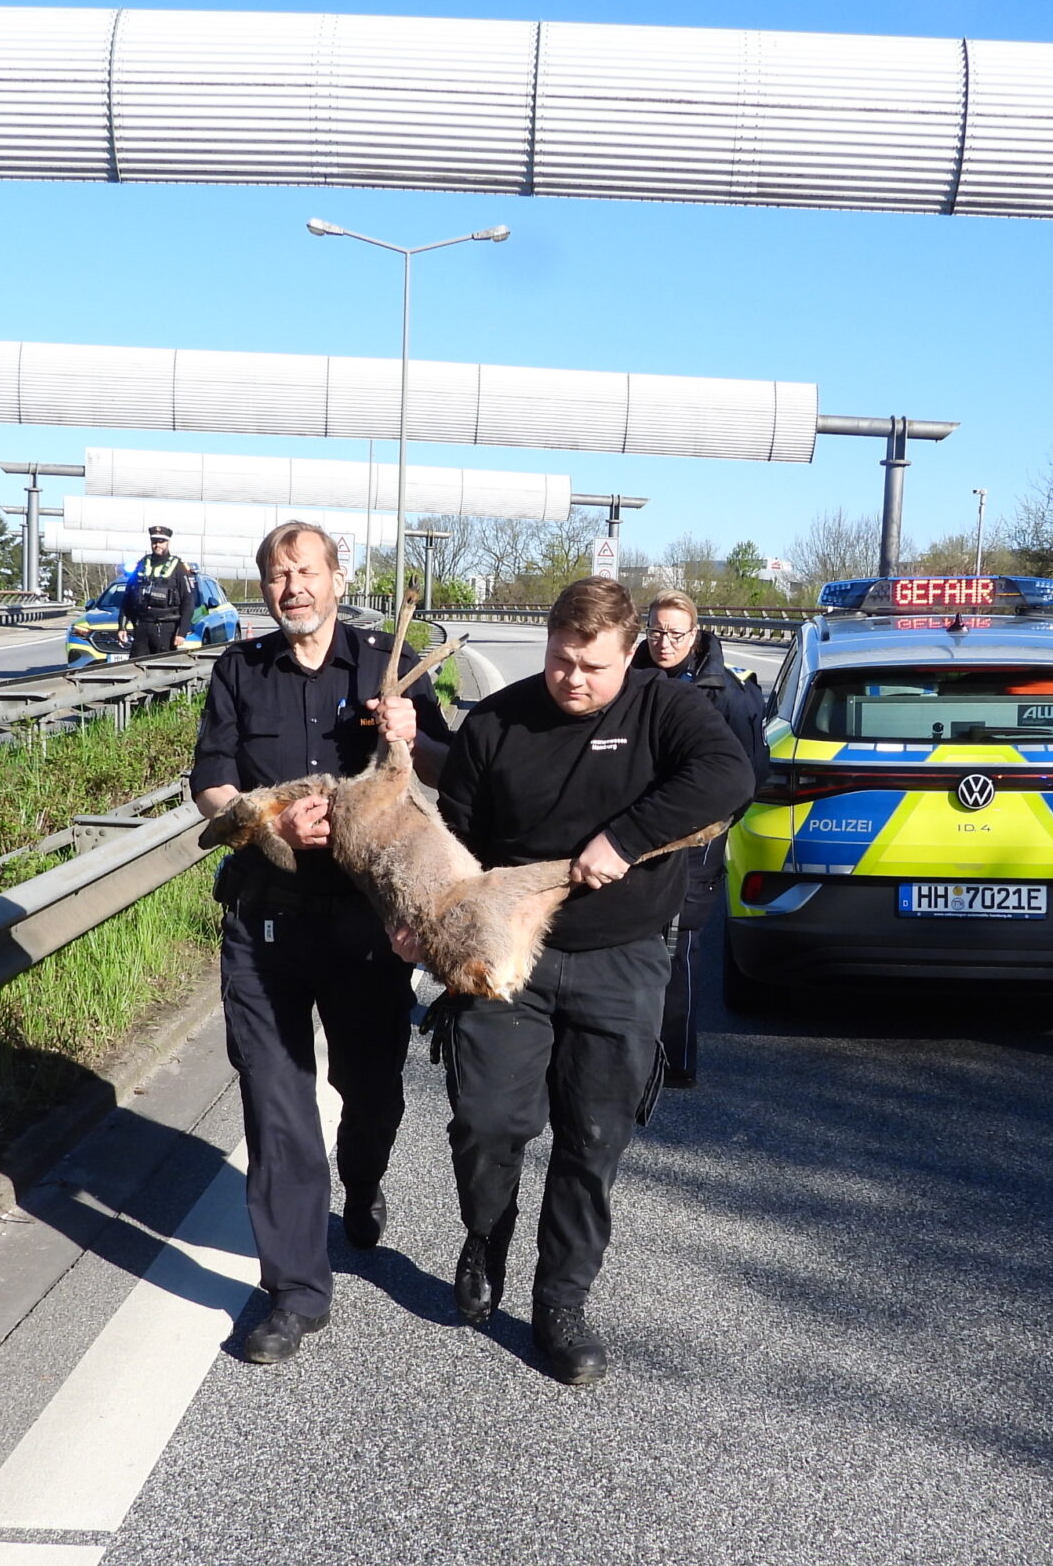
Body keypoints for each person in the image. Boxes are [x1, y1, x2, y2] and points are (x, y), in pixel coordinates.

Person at [431, 576, 755, 1383]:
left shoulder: (662, 708)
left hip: (624, 953)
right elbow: (457, 844)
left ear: (630, 654)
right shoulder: (497, 722)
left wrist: (627, 837)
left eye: (593, 666)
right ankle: (486, 1233)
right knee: (485, 1118)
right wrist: (433, 927)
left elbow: (729, 777)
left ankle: (560, 1303)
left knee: (593, 1138)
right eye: (560, 660)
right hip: (511, 955)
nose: (572, 678)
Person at [191, 521, 454, 1365]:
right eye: (277, 574)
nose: (291, 587)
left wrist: (412, 737)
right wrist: (267, 816)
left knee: (370, 1088)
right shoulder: (239, 671)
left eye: (306, 571)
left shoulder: (385, 665)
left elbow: (452, 770)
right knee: (278, 1103)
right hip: (265, 920)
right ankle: (296, 1291)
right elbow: (211, 783)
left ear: (338, 579)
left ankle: (365, 1179)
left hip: (368, 923)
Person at [631, 589, 767, 1089]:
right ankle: (624, 1054)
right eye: (656, 631)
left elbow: (748, 774)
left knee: (680, 945)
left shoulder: (725, 693)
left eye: (675, 634)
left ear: (696, 634)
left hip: (696, 835)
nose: (664, 642)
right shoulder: (628, 678)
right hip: (635, 827)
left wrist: (712, 829)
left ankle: (675, 1061)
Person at [124, 527, 200, 658]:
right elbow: (127, 597)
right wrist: (122, 626)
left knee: (163, 670)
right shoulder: (142, 563)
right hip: (142, 626)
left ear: (167, 543)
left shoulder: (178, 566)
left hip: (166, 627)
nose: (157, 545)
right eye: (154, 541)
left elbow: (188, 600)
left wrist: (182, 632)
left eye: (161, 541)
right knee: (137, 667)